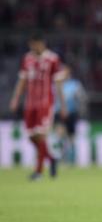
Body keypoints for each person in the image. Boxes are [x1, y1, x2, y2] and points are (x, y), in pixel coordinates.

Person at [9, 32, 67, 180]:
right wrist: (16, 99)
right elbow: (22, 80)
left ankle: (39, 171)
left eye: (35, 44)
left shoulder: (52, 59)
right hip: (30, 104)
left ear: (42, 43)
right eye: (31, 44)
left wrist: (63, 104)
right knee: (31, 137)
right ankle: (52, 159)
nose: (33, 47)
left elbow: (58, 83)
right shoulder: (27, 59)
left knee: (40, 135)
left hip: (45, 103)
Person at [54, 65, 87, 164]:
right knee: (60, 134)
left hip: (71, 113)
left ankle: (71, 158)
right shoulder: (56, 84)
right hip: (59, 113)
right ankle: (61, 156)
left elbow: (82, 98)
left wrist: (81, 111)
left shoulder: (75, 84)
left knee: (71, 137)